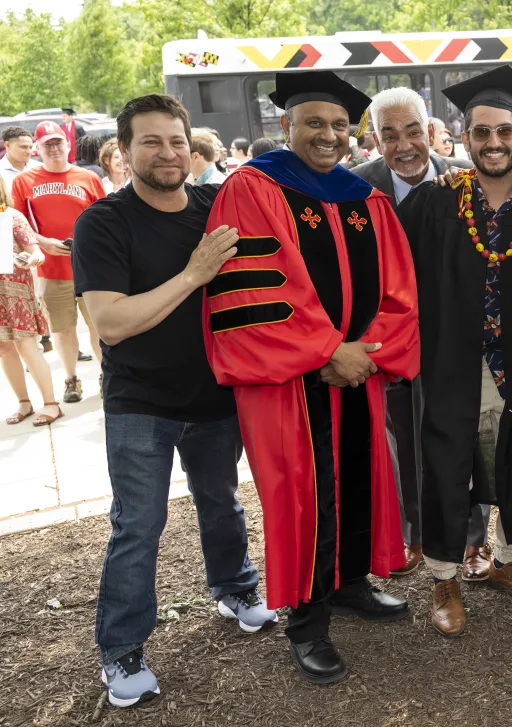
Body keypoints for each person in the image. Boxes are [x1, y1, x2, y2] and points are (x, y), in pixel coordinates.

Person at [203, 71, 419, 684]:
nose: (328, 135)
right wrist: (329, 351)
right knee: (301, 491)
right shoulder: (253, 188)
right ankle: (306, 617)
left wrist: (368, 352)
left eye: (338, 125)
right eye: (314, 124)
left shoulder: (364, 197)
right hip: (290, 383)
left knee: (359, 477)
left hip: (359, 374)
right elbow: (259, 289)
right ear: (286, 126)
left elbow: (399, 287)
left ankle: (350, 583)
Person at [73, 93, 274, 709]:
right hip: (142, 403)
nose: (167, 153)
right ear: (124, 151)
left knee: (222, 501)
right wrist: (193, 273)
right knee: (139, 525)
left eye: (177, 141)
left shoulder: (219, 206)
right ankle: (122, 650)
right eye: (152, 142)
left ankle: (236, 589)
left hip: (216, 394)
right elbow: (110, 323)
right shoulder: (104, 222)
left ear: (193, 147)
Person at [397, 65, 512, 637]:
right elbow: (396, 279)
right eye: (481, 132)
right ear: (463, 138)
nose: (493, 142)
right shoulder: (434, 202)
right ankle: (444, 575)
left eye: (504, 131)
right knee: (446, 464)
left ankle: (507, 562)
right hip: (451, 361)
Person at [351, 87, 471, 578]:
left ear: (431, 131)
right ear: (375, 141)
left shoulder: (465, 180)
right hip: (389, 339)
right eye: (389, 135)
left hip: (456, 338)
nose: (403, 145)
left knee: (463, 439)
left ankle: (472, 541)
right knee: (400, 437)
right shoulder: (354, 189)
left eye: (413, 131)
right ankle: (413, 535)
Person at [9, 121, 105, 404]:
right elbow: (17, 225)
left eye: (58, 142)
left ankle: (106, 375)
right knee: (63, 329)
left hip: (91, 267)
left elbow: (105, 221)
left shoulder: (88, 178)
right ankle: (71, 378)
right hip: (52, 269)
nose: (53, 148)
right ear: (37, 149)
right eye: (47, 144)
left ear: (68, 144)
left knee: (99, 326)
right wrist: (43, 242)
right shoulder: (24, 181)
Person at [1, 181, 58, 427]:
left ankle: (51, 404)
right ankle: (24, 402)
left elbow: (37, 253)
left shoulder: (10, 216)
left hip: (16, 294)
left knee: (27, 348)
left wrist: (30, 259)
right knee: (4, 350)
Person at [0, 127, 41, 193]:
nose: (28, 151)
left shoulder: (39, 168)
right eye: (23, 147)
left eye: (30, 147)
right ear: (7, 145)